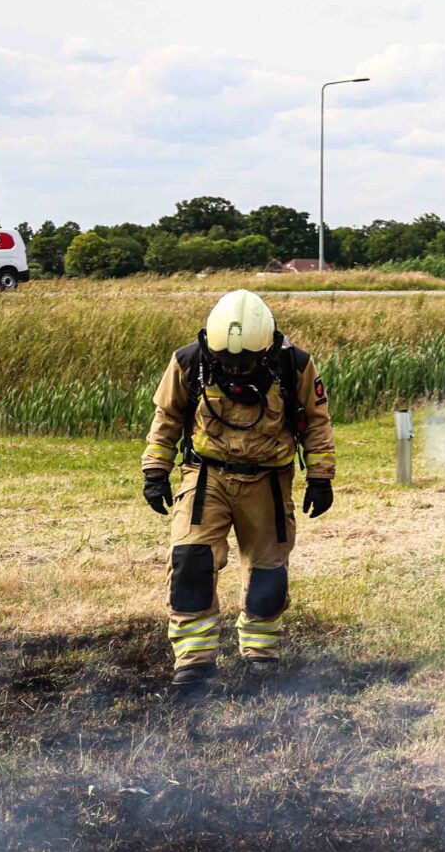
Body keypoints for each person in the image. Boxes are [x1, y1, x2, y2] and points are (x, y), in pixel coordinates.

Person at [141, 290, 336, 687]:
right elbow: (168, 417)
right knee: (191, 561)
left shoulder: (294, 365)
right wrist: (155, 471)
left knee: (268, 572)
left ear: (265, 349)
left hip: (268, 480)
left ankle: (260, 657)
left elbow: (317, 422)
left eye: (245, 361)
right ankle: (194, 662)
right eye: (227, 361)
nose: (236, 368)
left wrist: (320, 477)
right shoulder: (188, 362)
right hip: (206, 477)